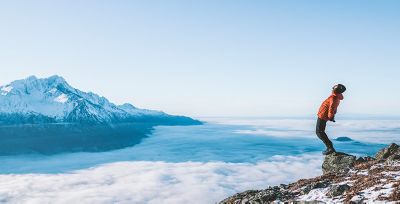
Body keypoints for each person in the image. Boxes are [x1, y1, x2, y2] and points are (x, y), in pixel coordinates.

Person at [316, 84, 346, 155]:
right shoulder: (336, 97)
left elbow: (332, 108)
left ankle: (330, 148)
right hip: (323, 115)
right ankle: (329, 147)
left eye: (333, 88)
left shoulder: (334, 97)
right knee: (320, 131)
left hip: (322, 115)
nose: (332, 89)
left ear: (335, 90)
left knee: (319, 132)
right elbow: (333, 108)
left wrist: (331, 116)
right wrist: (332, 116)